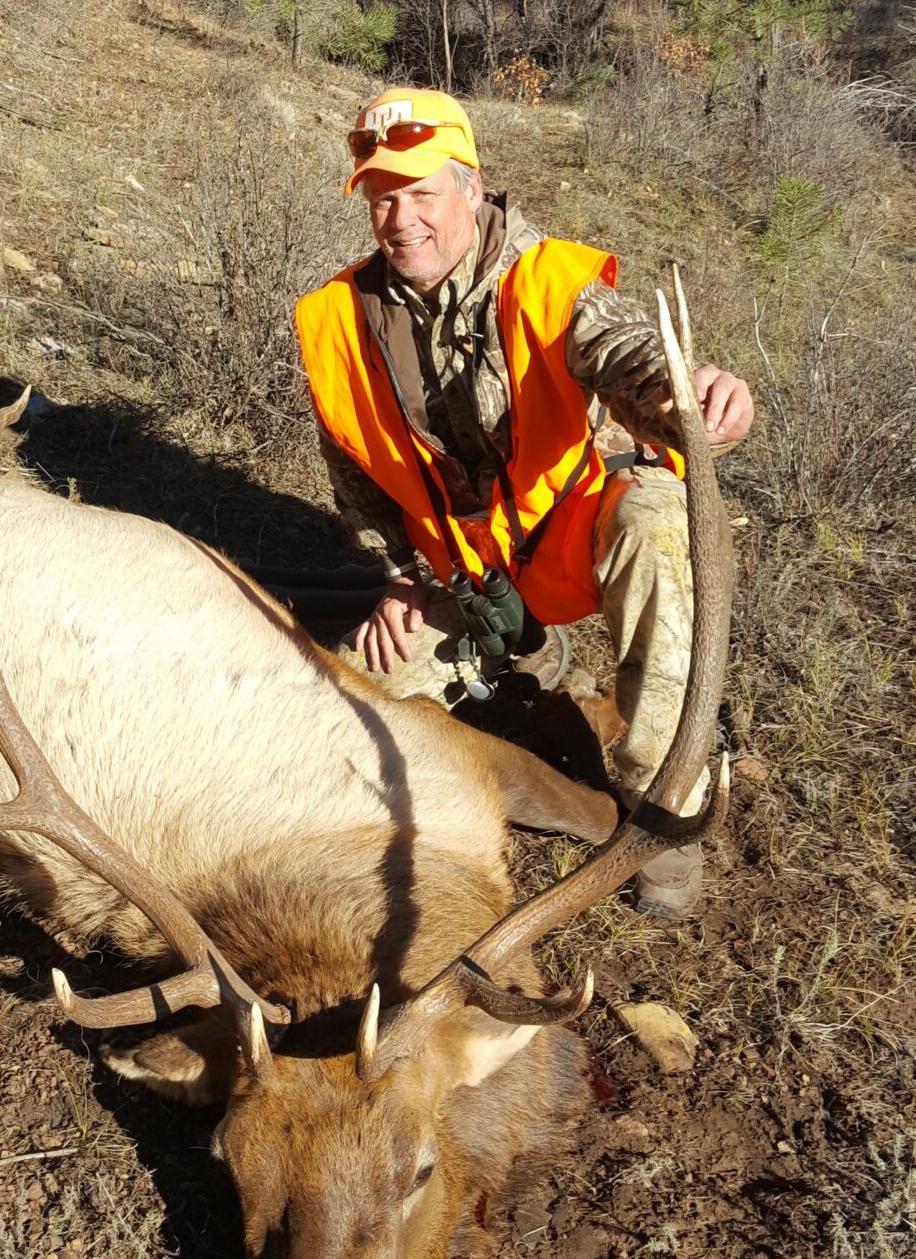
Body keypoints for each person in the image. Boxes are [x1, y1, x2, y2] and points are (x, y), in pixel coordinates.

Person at [294, 86, 753, 918]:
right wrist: (398, 578)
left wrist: (684, 393)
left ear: (470, 188)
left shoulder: (545, 282)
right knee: (342, 717)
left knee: (658, 523)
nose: (402, 220)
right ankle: (526, 653)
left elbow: (622, 349)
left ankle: (663, 812)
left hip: (572, 535)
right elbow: (354, 475)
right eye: (382, 198)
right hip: (463, 577)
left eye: (422, 193)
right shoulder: (339, 320)